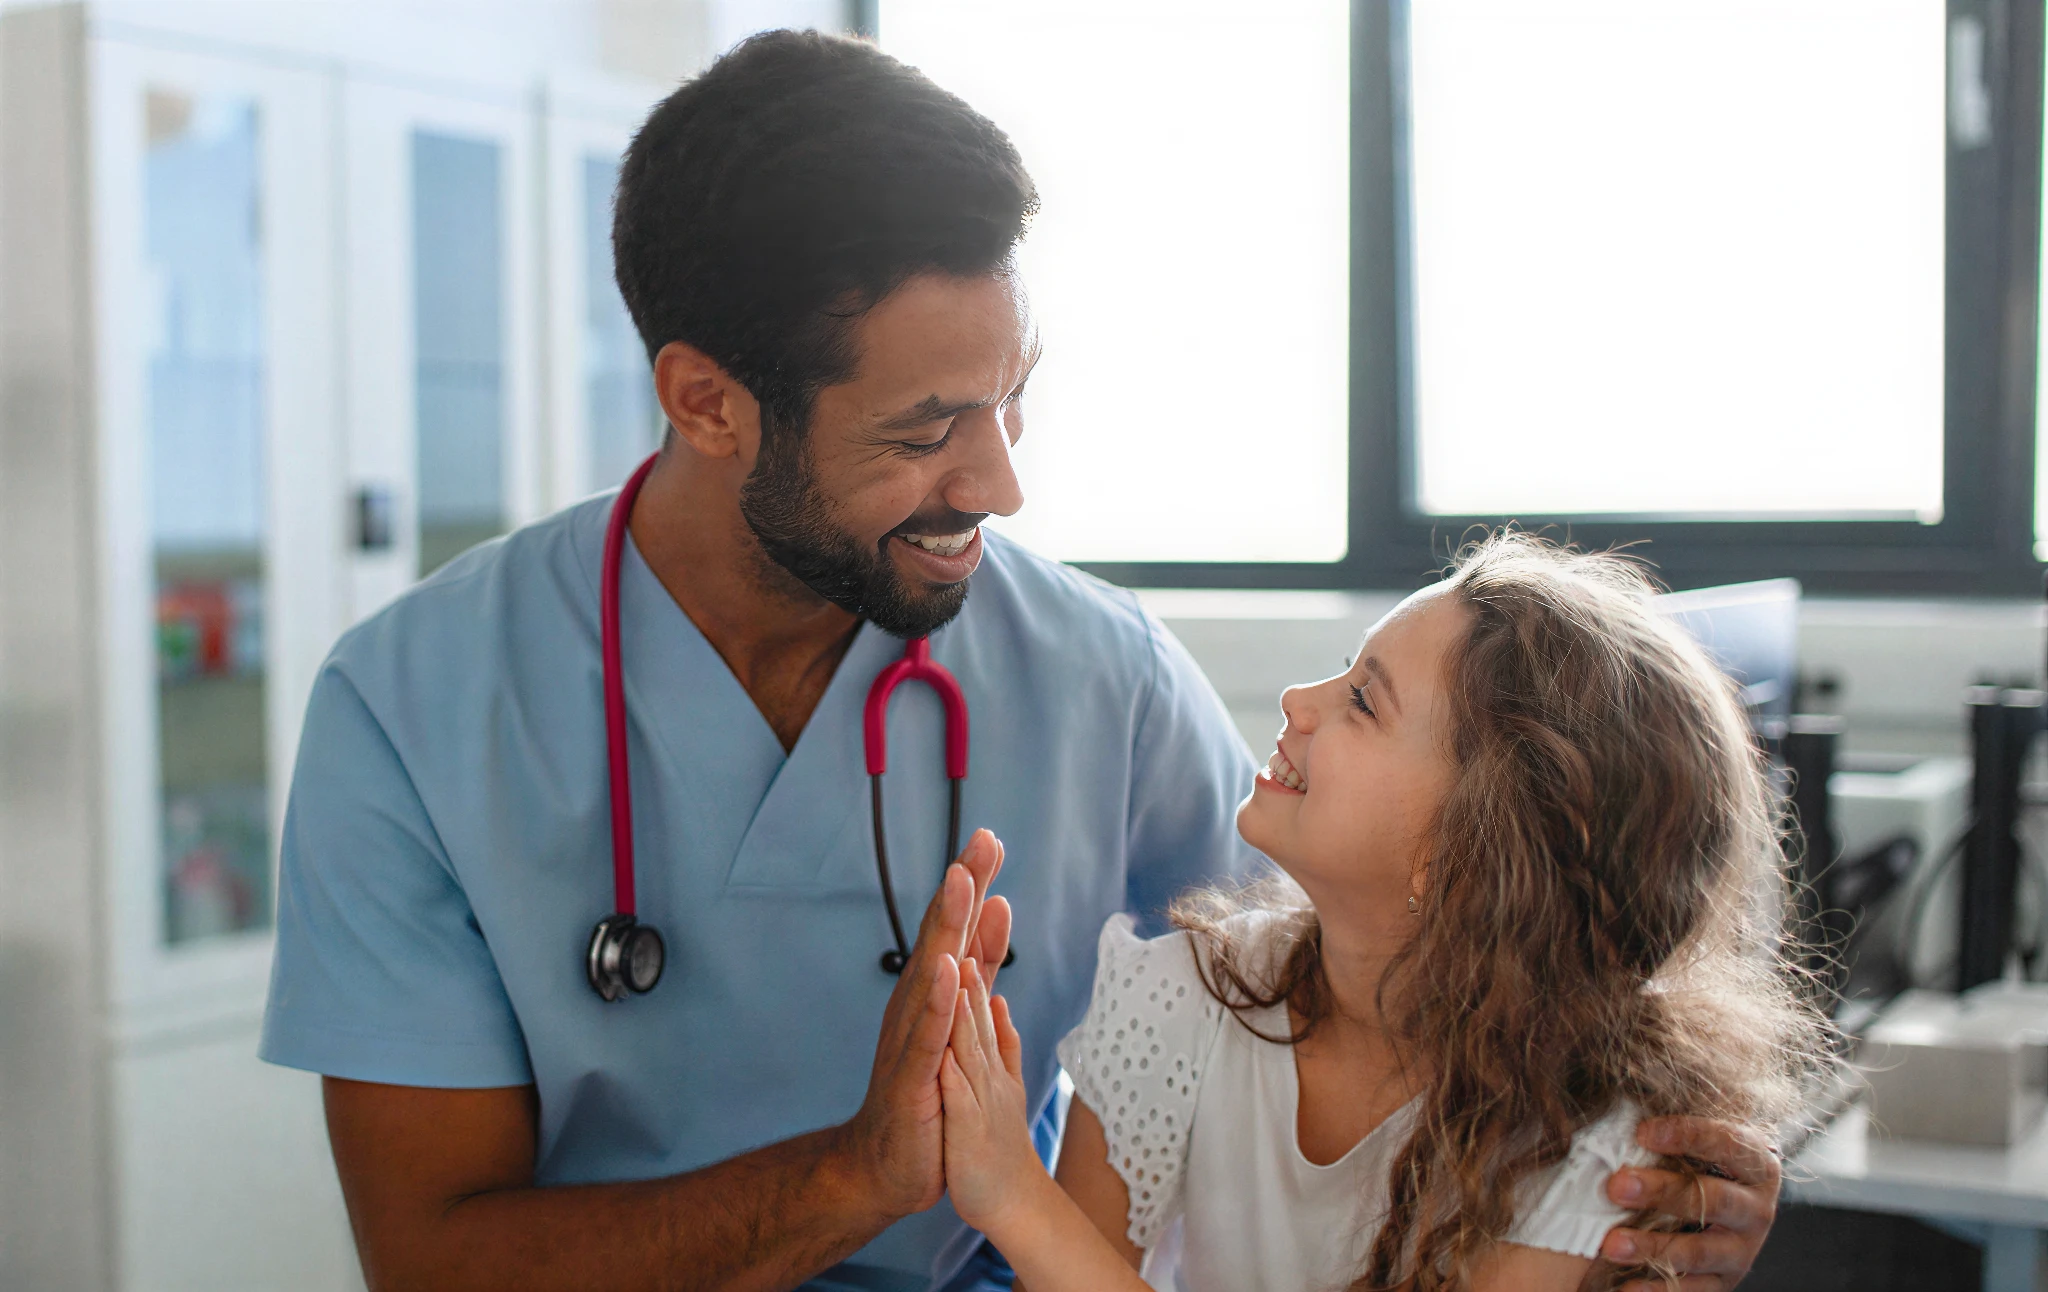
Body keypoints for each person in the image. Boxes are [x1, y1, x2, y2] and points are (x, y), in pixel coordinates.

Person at [259, 31, 1786, 1292]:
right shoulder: (412, 713)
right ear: (707, 402)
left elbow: (1404, 979)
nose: (998, 486)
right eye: (927, 430)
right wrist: (863, 1178)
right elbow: (432, 1259)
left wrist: (1638, 1179)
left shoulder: (1099, 676)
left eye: (1011, 401)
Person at [934, 534, 1830, 1292]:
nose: (1299, 701)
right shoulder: (1175, 999)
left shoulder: (1599, 1142)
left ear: (1466, 856)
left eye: (1362, 698)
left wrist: (1014, 1193)